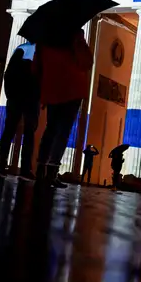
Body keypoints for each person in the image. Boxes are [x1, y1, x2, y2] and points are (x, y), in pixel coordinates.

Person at [32, 29, 92, 188]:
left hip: (53, 88)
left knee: (50, 129)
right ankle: (51, 172)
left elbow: (36, 67)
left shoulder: (44, 38)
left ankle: (41, 169)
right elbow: (87, 62)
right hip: (72, 90)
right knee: (63, 132)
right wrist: (79, 41)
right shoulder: (76, 37)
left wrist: (41, 88)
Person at [0, 42, 39, 179]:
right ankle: (17, 167)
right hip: (24, 97)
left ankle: (4, 165)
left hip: (23, 97)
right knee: (24, 132)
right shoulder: (27, 50)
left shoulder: (23, 49)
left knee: (14, 130)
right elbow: (9, 74)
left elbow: (8, 74)